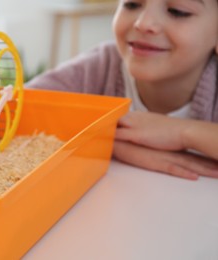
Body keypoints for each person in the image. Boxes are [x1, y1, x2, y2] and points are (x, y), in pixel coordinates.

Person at [25, 0, 218, 180]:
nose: (143, 23)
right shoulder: (100, 66)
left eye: (178, 11)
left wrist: (184, 132)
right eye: (131, 4)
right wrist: (110, 144)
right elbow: (15, 111)